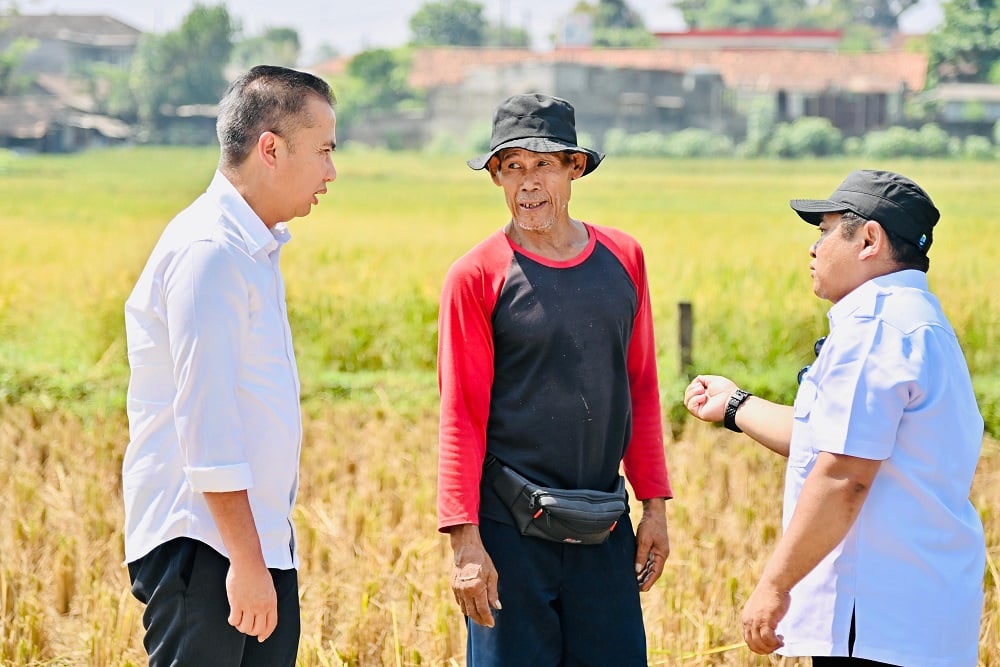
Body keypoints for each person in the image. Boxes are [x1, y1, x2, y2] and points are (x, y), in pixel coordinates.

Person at [684, 170, 985, 666]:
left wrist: (774, 586)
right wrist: (736, 406)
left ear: (869, 239)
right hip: (920, 618)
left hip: (874, 622)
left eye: (824, 231)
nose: (813, 248)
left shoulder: (874, 327)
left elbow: (843, 476)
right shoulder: (919, 320)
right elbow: (828, 438)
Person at [436, 92, 672, 666]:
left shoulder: (624, 257)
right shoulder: (476, 275)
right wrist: (464, 540)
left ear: (575, 168)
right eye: (511, 166)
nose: (528, 182)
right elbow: (460, 413)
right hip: (510, 533)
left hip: (603, 525)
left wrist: (655, 506)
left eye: (543, 163)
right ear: (495, 177)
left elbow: (639, 385)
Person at [122, 65, 337, 666]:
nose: (330, 172)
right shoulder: (210, 251)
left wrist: (260, 553)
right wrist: (244, 561)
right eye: (323, 151)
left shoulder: (253, 248)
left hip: (251, 543)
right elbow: (206, 423)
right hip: (206, 547)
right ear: (270, 148)